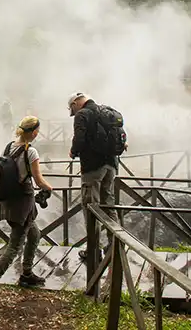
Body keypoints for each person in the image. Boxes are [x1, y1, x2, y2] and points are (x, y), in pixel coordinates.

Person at [0, 116, 53, 301]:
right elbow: (38, 180)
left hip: (9, 200)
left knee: (34, 234)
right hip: (23, 202)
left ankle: (27, 274)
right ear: (34, 131)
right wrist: (49, 188)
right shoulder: (31, 152)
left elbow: (1, 176)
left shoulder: (9, 147)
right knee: (14, 246)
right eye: (38, 130)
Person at [67, 92, 122, 262]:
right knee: (108, 205)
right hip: (111, 166)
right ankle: (115, 246)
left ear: (76, 103)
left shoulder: (82, 115)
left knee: (90, 207)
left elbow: (80, 138)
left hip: (92, 168)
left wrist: (73, 152)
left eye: (72, 109)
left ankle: (93, 250)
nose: (73, 113)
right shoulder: (106, 111)